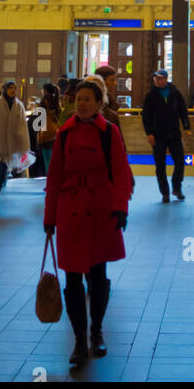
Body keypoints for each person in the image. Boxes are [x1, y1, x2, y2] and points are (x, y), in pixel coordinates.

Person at [44, 77, 133, 369]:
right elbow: (54, 177)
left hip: (100, 210)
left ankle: (96, 330)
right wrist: (49, 217)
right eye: (78, 99)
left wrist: (120, 208)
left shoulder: (110, 133)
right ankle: (79, 339)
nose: (81, 104)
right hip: (70, 211)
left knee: (97, 275)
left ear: (98, 104)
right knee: (71, 280)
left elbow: (121, 172)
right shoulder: (65, 134)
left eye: (87, 99)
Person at [142, 68, 190, 201]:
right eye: (155, 78)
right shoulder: (150, 95)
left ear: (165, 79)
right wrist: (149, 133)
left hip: (174, 133)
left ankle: (177, 188)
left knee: (180, 162)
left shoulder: (175, 93)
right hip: (157, 135)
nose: (156, 80)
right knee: (160, 166)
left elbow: (183, 111)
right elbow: (146, 116)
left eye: (159, 78)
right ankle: (165, 192)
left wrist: (186, 126)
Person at [0, 80, 29, 210]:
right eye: (10, 88)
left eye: (14, 88)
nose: (13, 90)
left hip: (10, 145)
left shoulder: (18, 106)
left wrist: (22, 143)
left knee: (3, 172)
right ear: (5, 89)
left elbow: (22, 127)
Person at [35, 83, 61, 184]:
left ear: (45, 90)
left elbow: (38, 122)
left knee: (47, 160)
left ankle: (50, 181)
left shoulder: (43, 102)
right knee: (54, 159)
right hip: (55, 134)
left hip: (46, 135)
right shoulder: (57, 101)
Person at [93, 64, 122, 130]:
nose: (115, 83)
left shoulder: (109, 100)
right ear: (101, 82)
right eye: (112, 80)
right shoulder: (99, 104)